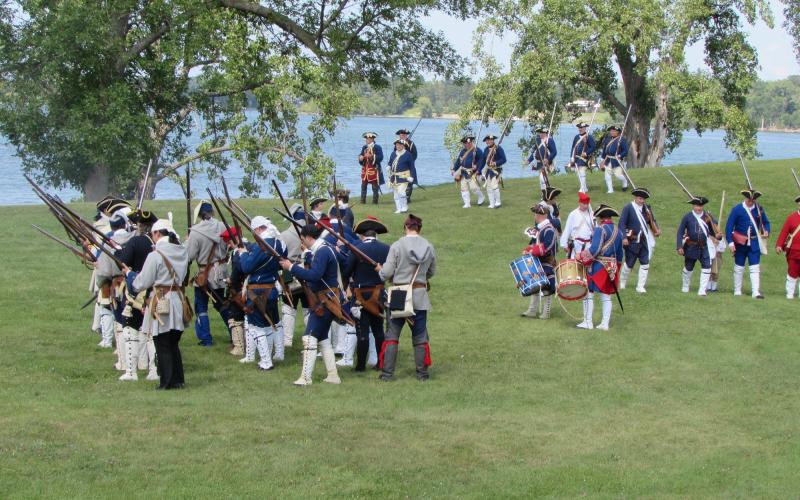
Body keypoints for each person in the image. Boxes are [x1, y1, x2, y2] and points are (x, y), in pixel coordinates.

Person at [123, 218, 189, 390]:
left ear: (157, 233)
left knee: (162, 343)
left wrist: (129, 275)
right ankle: (177, 380)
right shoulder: (182, 252)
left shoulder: (155, 255)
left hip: (162, 300)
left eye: (153, 233)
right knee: (173, 343)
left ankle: (166, 382)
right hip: (178, 299)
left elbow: (142, 282)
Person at [279, 223, 345, 386]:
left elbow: (315, 275)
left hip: (325, 300)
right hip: (324, 299)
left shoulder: (322, 251)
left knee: (308, 338)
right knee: (322, 338)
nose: (302, 242)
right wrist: (307, 255)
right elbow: (316, 268)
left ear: (309, 237)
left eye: (303, 239)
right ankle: (333, 375)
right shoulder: (322, 249)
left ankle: (306, 378)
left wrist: (291, 267)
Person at [376, 214, 436, 381]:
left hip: (399, 295)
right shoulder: (429, 246)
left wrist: (381, 271)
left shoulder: (397, 245)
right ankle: (422, 374)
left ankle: (387, 374)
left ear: (405, 227)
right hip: (419, 296)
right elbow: (431, 271)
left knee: (392, 335)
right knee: (420, 335)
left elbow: (386, 273)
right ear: (419, 229)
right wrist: (421, 279)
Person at [114, 210, 160, 382]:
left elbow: (123, 263)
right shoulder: (161, 244)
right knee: (152, 334)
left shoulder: (135, 241)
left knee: (130, 331)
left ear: (140, 226)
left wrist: (118, 252)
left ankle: (131, 372)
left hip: (137, 290)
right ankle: (153, 370)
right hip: (156, 291)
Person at [237, 216, 287, 371]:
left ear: (258, 229)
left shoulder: (263, 246)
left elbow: (246, 267)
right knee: (270, 324)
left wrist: (243, 254)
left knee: (255, 327)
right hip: (272, 288)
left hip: (257, 290)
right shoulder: (279, 243)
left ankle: (266, 361)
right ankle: (272, 356)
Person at [341, 217, 390, 371]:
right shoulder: (386, 248)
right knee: (378, 331)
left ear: (362, 235)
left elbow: (347, 271)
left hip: (361, 296)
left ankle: (361, 366)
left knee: (362, 331)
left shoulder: (357, 249)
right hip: (379, 294)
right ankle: (381, 363)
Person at [186, 200, 229, 347]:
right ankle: (235, 333)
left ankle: (206, 339)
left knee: (201, 307)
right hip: (221, 271)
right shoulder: (222, 226)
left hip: (205, 273)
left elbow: (189, 256)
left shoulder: (196, 232)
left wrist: (188, 242)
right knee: (222, 303)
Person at [578, 204, 624, 330]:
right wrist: (617, 267)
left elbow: (594, 249)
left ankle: (588, 322)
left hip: (599, 266)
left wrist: (581, 256)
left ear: (601, 217)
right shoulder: (618, 230)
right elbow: (620, 253)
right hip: (612, 267)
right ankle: (604, 324)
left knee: (588, 293)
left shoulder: (600, 229)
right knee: (606, 296)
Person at [726, 188, 771, 298]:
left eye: (753, 200)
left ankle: (755, 292)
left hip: (754, 242)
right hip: (740, 243)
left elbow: (766, 222)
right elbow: (729, 227)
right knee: (739, 267)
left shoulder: (759, 209)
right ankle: (737, 290)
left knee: (755, 267)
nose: (751, 202)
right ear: (746, 198)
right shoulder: (737, 209)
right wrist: (730, 243)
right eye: (749, 200)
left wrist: (766, 230)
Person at [676, 196, 722, 296]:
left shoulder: (707, 217)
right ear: (693, 206)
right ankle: (685, 285)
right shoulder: (687, 217)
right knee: (688, 267)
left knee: (707, 267)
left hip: (704, 246)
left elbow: (712, 231)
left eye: (700, 206)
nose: (699, 208)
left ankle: (702, 290)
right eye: (697, 206)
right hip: (691, 246)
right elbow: (680, 232)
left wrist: (718, 236)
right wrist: (679, 246)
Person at [278, 204, 309, 348]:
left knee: (289, 308)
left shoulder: (284, 235)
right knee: (308, 308)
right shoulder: (310, 232)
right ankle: (310, 338)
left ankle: (287, 340)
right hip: (306, 270)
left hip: (290, 271)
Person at [618, 187, 660, 293]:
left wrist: (657, 229)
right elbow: (622, 223)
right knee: (629, 264)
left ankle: (640, 286)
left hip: (644, 240)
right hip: (632, 241)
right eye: (640, 198)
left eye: (643, 199)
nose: (641, 201)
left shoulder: (647, 209)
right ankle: (622, 281)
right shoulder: (628, 208)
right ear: (635, 198)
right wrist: (624, 237)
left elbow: (652, 221)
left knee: (645, 263)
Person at [520, 205, 559, 320]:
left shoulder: (549, 229)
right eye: (535, 214)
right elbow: (533, 243)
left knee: (547, 287)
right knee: (535, 284)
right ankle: (532, 310)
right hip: (537, 260)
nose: (535, 217)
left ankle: (546, 312)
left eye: (537, 215)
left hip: (546, 260)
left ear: (543, 216)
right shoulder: (539, 229)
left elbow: (547, 246)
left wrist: (532, 251)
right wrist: (527, 250)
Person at [220, 227, 246, 356]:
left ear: (236, 238)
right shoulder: (250, 247)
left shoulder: (237, 253)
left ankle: (239, 347)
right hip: (248, 288)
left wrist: (230, 280)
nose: (229, 245)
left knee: (234, 317)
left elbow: (237, 272)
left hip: (240, 290)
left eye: (229, 242)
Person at [775, 194, 800, 299]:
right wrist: (779, 245)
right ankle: (790, 294)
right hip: (794, 251)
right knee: (792, 272)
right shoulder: (791, 218)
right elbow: (784, 232)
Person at [451, 134, 484, 208]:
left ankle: (481, 197)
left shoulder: (477, 150)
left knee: (473, 188)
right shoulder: (463, 151)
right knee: (463, 188)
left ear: (471, 142)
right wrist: (454, 169)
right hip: (463, 172)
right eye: (466, 143)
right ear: (464, 144)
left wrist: (477, 166)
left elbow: (482, 160)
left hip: (472, 173)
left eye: (469, 143)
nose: (467, 144)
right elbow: (459, 161)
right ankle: (467, 203)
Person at [560, 192, 595, 259]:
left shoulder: (592, 214)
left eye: (587, 204)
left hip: (589, 245)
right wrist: (564, 244)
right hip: (576, 245)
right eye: (584, 204)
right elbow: (567, 229)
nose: (586, 206)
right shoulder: (573, 214)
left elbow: (596, 229)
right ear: (580, 203)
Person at [479, 134, 507, 209]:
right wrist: (479, 170)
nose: (488, 141)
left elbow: (504, 159)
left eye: (490, 140)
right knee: (488, 187)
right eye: (487, 140)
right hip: (488, 170)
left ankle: (498, 202)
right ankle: (492, 203)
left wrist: (495, 163)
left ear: (493, 140)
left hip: (496, 170)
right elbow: (483, 161)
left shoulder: (498, 148)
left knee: (494, 185)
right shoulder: (485, 149)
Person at [387, 139, 415, 214]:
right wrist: (389, 166)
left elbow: (412, 167)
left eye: (400, 145)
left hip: (404, 177)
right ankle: (398, 208)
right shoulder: (393, 153)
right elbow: (390, 162)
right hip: (394, 177)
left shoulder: (408, 154)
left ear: (403, 146)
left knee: (401, 192)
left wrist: (412, 176)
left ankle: (404, 207)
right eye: (397, 145)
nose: (398, 146)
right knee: (395, 194)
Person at [527, 127, 556, 193]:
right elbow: (534, 152)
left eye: (542, 133)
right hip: (539, 163)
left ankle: (546, 193)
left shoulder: (549, 140)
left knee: (542, 178)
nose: (541, 134)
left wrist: (548, 159)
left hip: (547, 163)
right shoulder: (538, 140)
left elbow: (554, 152)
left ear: (546, 133)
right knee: (542, 180)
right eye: (540, 133)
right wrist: (529, 160)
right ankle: (545, 194)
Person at [600, 125, 629, 193]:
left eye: (614, 131)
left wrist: (620, 155)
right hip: (608, 160)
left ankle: (625, 181)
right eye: (611, 131)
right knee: (607, 176)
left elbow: (625, 151)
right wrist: (602, 159)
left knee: (618, 176)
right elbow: (605, 150)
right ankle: (610, 190)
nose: (612, 132)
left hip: (616, 160)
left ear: (618, 132)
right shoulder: (608, 139)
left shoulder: (621, 139)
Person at [569, 122, 596, 193]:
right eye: (579, 128)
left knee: (581, 171)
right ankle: (584, 187)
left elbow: (593, 147)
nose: (580, 129)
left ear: (585, 128)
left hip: (585, 158)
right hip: (577, 157)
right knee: (578, 172)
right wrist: (571, 157)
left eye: (582, 128)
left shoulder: (589, 137)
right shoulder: (576, 137)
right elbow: (573, 147)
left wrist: (586, 153)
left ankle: (582, 188)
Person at [358, 132, 383, 205]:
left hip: (374, 170)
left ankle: (375, 202)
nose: (367, 140)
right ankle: (362, 201)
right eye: (366, 139)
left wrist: (371, 156)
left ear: (372, 139)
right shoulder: (364, 147)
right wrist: (360, 158)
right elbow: (361, 156)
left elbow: (380, 157)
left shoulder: (377, 147)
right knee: (363, 187)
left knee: (375, 188)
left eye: (369, 139)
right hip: (365, 171)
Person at [396, 128, 418, 202]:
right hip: (399, 167)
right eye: (400, 135)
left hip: (408, 167)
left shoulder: (411, 144)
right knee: (400, 183)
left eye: (403, 135)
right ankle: (401, 198)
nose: (401, 136)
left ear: (406, 135)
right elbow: (394, 154)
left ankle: (407, 198)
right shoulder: (397, 144)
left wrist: (408, 161)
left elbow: (414, 155)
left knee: (409, 183)